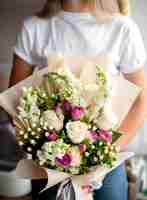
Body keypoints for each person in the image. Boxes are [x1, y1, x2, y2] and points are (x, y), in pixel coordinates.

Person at [9, 0, 147, 200]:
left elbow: (141, 101)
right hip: (50, 163)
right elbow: (16, 100)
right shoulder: (35, 27)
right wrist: (51, 151)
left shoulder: (122, 28)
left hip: (105, 162)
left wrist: (102, 155)